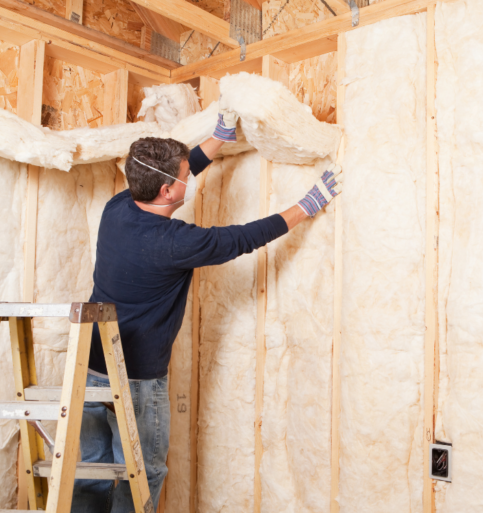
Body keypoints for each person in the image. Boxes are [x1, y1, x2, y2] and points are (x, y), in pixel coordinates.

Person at [71, 104, 342, 512]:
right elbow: (244, 237)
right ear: (167, 192)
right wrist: (306, 205)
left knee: (91, 467)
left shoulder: (119, 207)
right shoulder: (177, 242)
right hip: (137, 379)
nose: (188, 180)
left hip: (89, 363)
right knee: (142, 472)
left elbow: (173, 173)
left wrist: (219, 137)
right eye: (184, 177)